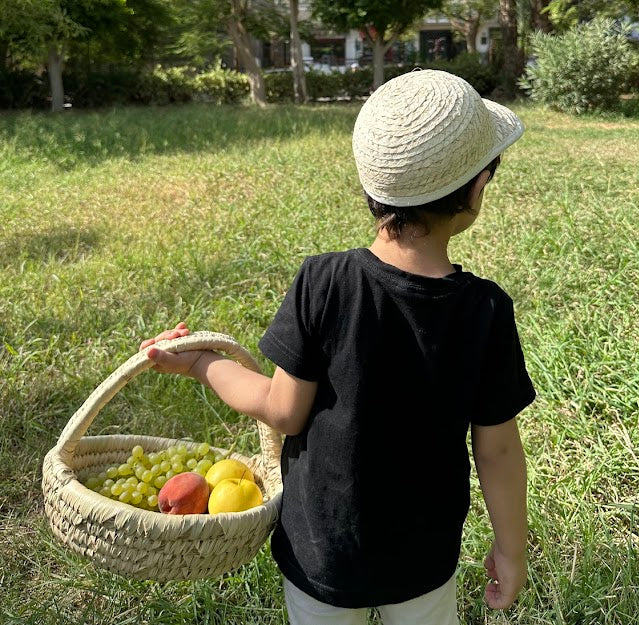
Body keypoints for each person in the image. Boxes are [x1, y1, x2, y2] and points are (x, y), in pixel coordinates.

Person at [141, 69, 536, 625]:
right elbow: (496, 450)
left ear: (373, 190)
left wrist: (205, 364)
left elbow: (283, 410)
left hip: (321, 555)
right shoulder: (485, 308)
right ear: (475, 191)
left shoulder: (323, 281)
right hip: (424, 559)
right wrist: (511, 550)